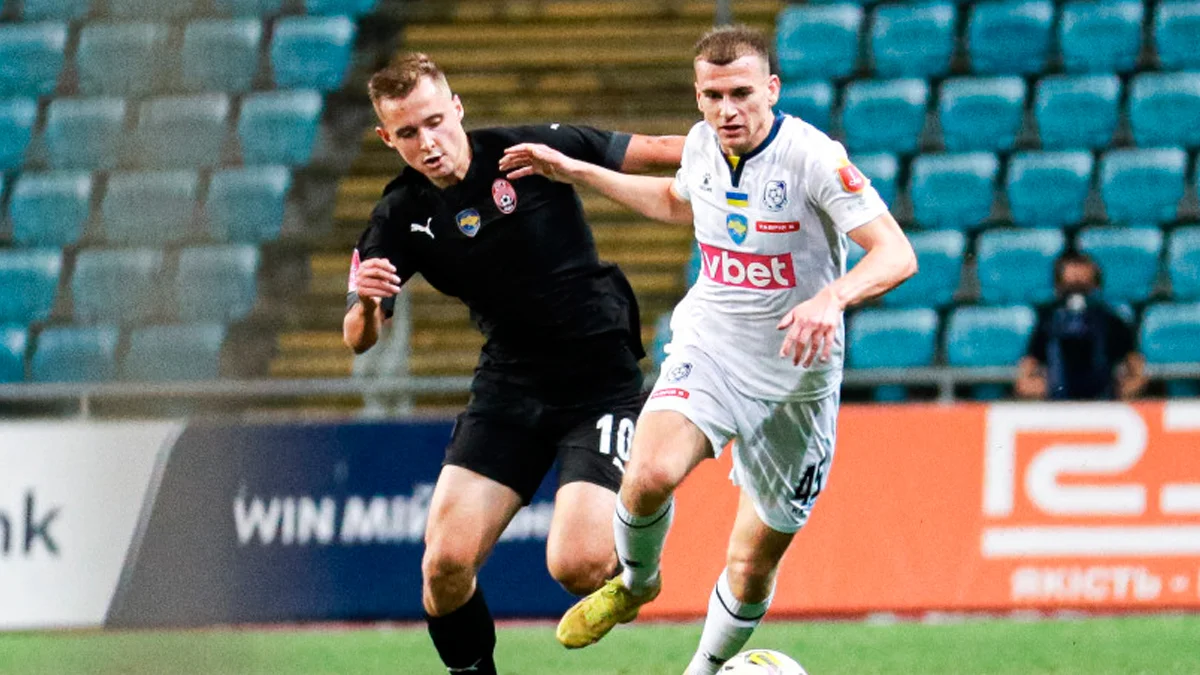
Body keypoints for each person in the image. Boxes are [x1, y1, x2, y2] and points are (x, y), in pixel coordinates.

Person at [500, 25, 917, 675]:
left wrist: (831, 298)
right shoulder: (701, 145)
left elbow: (897, 253)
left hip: (796, 378)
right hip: (712, 345)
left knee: (751, 564)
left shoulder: (814, 157)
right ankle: (636, 584)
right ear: (698, 97)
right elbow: (676, 202)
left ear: (772, 89)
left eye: (741, 93)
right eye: (713, 96)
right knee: (647, 474)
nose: (727, 110)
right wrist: (581, 172)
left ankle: (702, 669)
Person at [342, 53, 684, 675]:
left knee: (579, 568)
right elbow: (359, 338)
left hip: (598, 383)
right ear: (387, 139)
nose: (428, 143)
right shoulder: (398, 215)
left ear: (457, 109)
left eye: (435, 121)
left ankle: (641, 558)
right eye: (408, 133)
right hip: (510, 388)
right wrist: (366, 302)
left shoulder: (528, 151)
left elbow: (661, 150)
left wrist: (761, 152)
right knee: (444, 566)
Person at [1016, 250, 1147, 401]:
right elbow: (1027, 369)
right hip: (1058, 402)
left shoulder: (1111, 320)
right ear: (1059, 286)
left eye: (1083, 287)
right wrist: (1034, 386)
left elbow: (1136, 366)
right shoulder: (1048, 321)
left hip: (1103, 402)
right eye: (1070, 287)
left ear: (1096, 285)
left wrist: (1128, 388)